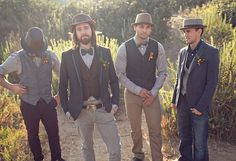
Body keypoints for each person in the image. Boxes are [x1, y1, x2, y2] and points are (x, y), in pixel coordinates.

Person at [59, 13, 121, 161]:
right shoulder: (67, 56)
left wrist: (115, 103)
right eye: (79, 29)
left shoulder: (104, 52)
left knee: (115, 149)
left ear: (92, 30)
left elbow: (113, 80)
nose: (83, 31)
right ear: (75, 33)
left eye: (86, 28)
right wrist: (67, 109)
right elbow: (62, 85)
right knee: (87, 148)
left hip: (103, 108)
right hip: (81, 111)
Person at [0, 27, 65, 161]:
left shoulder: (51, 55)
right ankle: (38, 159)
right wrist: (12, 87)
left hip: (48, 102)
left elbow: (65, 76)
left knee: (54, 134)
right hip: (28, 104)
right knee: (32, 135)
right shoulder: (17, 58)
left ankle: (57, 158)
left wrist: (59, 95)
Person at [115, 13, 167, 161]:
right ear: (135, 27)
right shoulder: (124, 48)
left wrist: (154, 92)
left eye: (148, 27)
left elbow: (163, 72)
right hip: (132, 95)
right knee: (135, 129)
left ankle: (158, 157)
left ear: (151, 29)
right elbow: (120, 74)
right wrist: (138, 90)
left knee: (155, 130)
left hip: (152, 94)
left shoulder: (158, 47)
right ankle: (138, 155)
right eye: (141, 27)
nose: (144, 30)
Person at [171, 18, 219, 161]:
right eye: (185, 31)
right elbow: (179, 78)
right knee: (184, 139)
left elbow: (212, 82)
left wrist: (201, 106)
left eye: (189, 31)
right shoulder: (182, 52)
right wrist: (175, 99)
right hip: (182, 104)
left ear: (200, 31)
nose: (186, 34)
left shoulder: (211, 52)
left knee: (200, 144)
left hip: (199, 105)